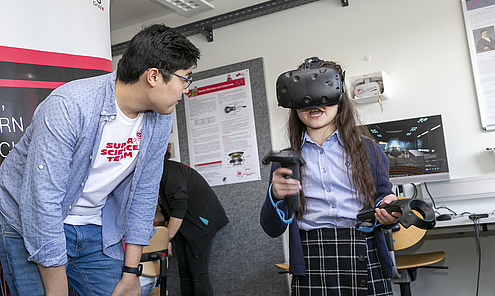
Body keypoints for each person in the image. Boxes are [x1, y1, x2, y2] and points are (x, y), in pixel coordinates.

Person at [0, 24, 200, 296]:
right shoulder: (70, 105)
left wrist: (131, 273)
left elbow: (144, 193)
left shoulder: (160, 118)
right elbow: (42, 202)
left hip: (94, 226)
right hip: (26, 222)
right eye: (185, 78)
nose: (186, 89)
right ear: (153, 76)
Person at [260, 58, 400, 295]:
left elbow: (383, 201)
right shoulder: (286, 161)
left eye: (322, 92)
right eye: (304, 96)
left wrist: (389, 210)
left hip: (364, 252)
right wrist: (274, 195)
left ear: (338, 95)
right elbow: (271, 228)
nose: (314, 103)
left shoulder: (369, 150)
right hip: (311, 258)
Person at [142, 150, 228, 296]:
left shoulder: (170, 170)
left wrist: (166, 238)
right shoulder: (158, 175)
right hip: (184, 224)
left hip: (200, 222)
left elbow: (179, 207)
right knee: (184, 273)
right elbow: (165, 213)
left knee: (197, 273)